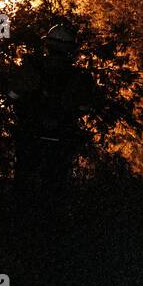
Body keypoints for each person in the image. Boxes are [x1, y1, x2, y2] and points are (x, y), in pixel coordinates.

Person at [9, 23, 96, 186]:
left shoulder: (31, 67)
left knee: (24, 180)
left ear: (47, 45)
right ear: (71, 49)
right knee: (56, 182)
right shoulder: (80, 77)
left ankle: (20, 207)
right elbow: (85, 108)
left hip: (30, 132)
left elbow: (13, 96)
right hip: (61, 136)